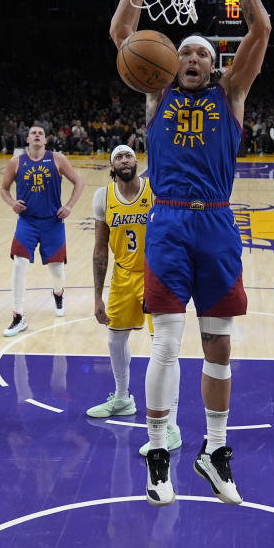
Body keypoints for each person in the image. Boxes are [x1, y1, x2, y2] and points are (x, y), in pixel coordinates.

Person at [110, 0, 271, 507]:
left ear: (216, 63)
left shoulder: (233, 95)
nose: (194, 57)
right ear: (171, 66)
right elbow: (121, 34)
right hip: (170, 220)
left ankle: (215, 452)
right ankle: (159, 455)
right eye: (186, 52)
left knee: (220, 345)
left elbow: (262, 27)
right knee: (166, 344)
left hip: (219, 222)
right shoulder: (157, 94)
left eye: (203, 52)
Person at [88, 145, 183, 455]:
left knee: (166, 349)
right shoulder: (104, 197)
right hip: (123, 276)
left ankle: (171, 426)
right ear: (112, 165)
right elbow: (100, 248)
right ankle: (122, 397)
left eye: (128, 155)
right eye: (118, 156)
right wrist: (97, 296)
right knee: (115, 340)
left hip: (157, 275)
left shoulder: (155, 190)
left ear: (136, 161)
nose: (124, 160)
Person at [0, 124, 85, 336]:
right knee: (19, 265)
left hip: (52, 222)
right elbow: (4, 189)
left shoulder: (57, 159)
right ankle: (18, 316)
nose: (37, 136)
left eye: (41, 133)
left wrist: (69, 206)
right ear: (27, 140)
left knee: (57, 270)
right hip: (27, 222)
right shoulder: (16, 162)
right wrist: (12, 203)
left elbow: (79, 182)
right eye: (33, 133)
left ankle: (58, 293)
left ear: (45, 140)